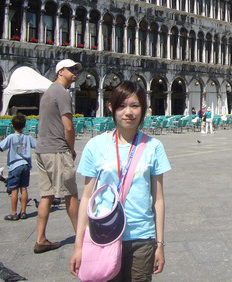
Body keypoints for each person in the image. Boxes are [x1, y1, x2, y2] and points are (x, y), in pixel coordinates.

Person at [70, 81, 171, 280]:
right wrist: (78, 245)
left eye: (135, 105)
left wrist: (160, 243)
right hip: (103, 235)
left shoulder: (154, 146)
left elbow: (158, 199)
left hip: (142, 236)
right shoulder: (95, 146)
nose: (128, 112)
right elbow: (87, 198)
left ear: (143, 109)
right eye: (121, 106)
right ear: (111, 108)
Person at [34, 59, 82, 254]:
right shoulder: (62, 93)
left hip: (41, 149)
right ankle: (82, 238)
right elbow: (68, 126)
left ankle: (40, 239)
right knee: (71, 194)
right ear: (60, 71)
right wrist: (70, 150)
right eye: (71, 69)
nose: (75, 72)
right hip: (56, 149)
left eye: (76, 69)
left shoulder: (47, 92)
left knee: (47, 194)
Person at [0, 113, 37, 220]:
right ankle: (23, 212)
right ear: (24, 126)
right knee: (24, 188)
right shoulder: (28, 137)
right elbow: (39, 145)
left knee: (14, 190)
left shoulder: (10, 137)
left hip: (15, 166)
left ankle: (14, 213)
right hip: (25, 166)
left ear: (12, 126)